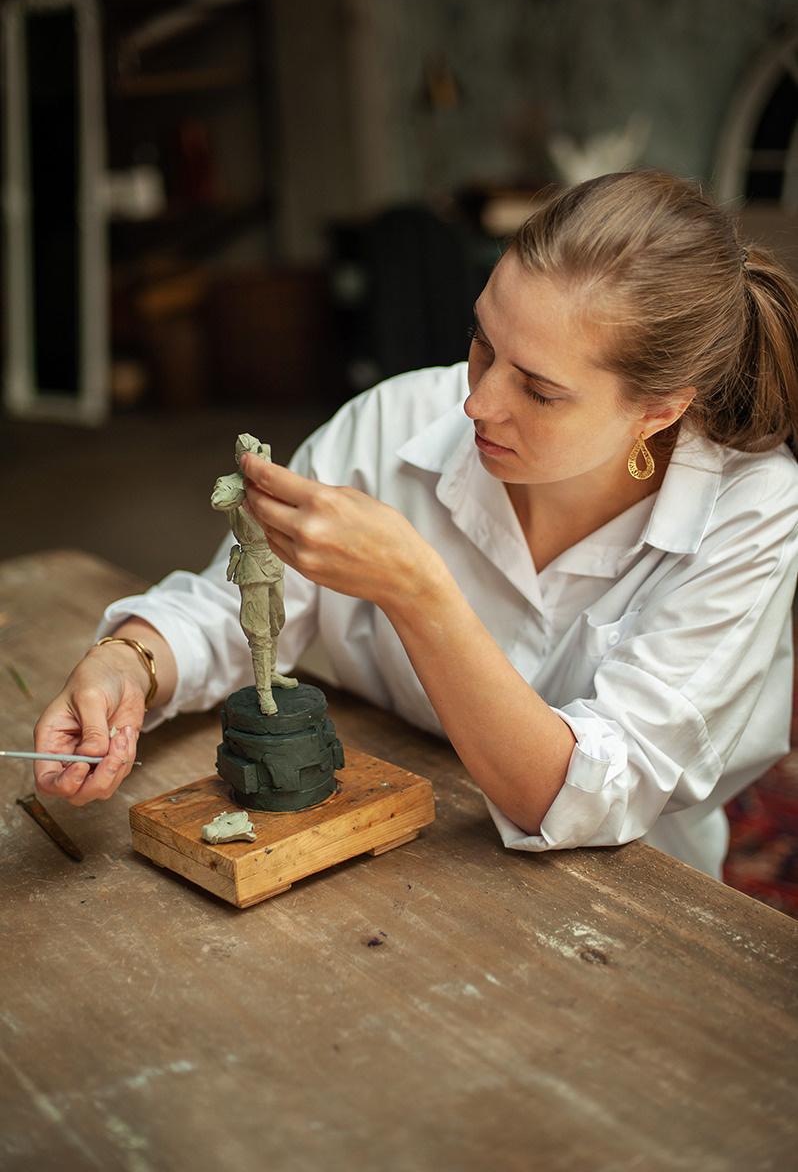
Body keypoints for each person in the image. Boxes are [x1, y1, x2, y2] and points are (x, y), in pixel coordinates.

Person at [34, 170, 798, 879]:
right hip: (399, 849)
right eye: (482, 344)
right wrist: (127, 663)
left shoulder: (751, 511)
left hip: (628, 892)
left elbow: (590, 792)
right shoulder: (394, 421)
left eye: (537, 389)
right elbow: (234, 611)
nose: (476, 403)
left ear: (659, 410)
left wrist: (417, 589)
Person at [210, 433, 298, 714]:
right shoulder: (230, 484)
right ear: (239, 459)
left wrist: (268, 481)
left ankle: (270, 672)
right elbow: (218, 501)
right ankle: (263, 691)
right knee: (258, 630)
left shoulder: (271, 481)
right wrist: (248, 485)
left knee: (276, 621)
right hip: (252, 563)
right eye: (248, 454)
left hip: (274, 557)